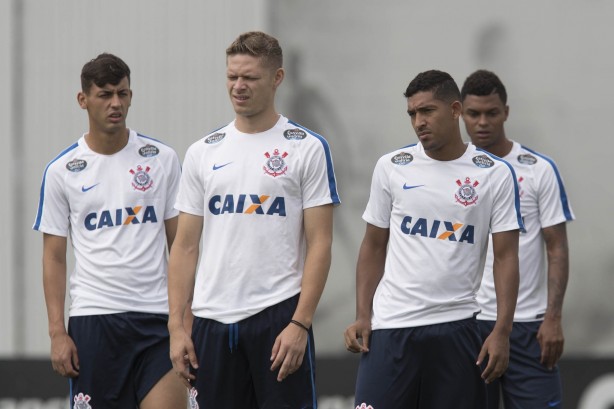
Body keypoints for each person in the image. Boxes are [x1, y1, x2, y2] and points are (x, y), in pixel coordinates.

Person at [167, 31, 340, 408]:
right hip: (211, 323)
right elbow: (184, 245)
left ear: (277, 78)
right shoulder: (202, 152)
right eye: (232, 77)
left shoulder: (305, 147)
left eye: (250, 78)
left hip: (278, 317)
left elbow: (320, 244)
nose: (239, 87)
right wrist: (177, 328)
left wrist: (300, 324)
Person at [344, 69, 522, 409]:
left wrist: (502, 331)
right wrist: (363, 314)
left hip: (457, 328)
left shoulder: (494, 173)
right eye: (412, 113)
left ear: (455, 110)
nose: (418, 121)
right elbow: (373, 245)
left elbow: (506, 256)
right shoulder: (392, 166)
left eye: (427, 111)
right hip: (392, 326)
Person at [33, 53, 187, 408]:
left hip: (157, 320)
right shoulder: (62, 171)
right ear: (83, 99)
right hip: (95, 320)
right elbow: (54, 257)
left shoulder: (161, 159)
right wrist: (58, 332)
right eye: (105, 94)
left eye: (123, 93)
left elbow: (181, 244)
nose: (116, 103)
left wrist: (185, 316)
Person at [461, 69, 575, 409]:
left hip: (529, 326)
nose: (482, 122)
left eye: (491, 113)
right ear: (459, 114)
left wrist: (553, 318)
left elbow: (556, 247)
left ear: (506, 113)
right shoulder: (451, 169)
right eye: (473, 114)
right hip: (469, 323)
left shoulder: (538, 169)